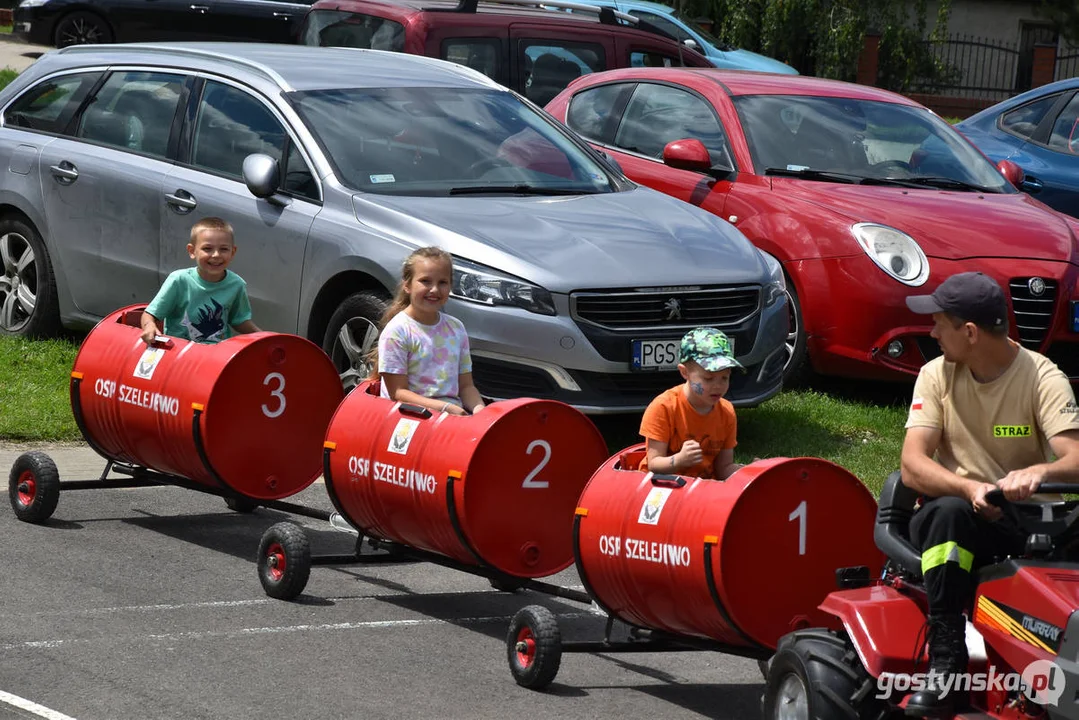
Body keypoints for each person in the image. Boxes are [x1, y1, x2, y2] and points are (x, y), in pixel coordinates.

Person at [900, 271, 1079, 716]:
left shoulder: (1042, 377)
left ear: (971, 333)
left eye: (940, 322)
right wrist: (970, 487)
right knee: (948, 515)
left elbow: (1075, 458)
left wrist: (1038, 472)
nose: (932, 330)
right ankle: (946, 662)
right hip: (965, 517)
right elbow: (912, 465)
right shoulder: (934, 376)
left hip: (1032, 521)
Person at [368, 246, 485, 416]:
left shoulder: (456, 328)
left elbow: (466, 386)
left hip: (452, 418)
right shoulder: (398, 331)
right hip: (410, 418)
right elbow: (398, 392)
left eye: (442, 282)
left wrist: (480, 413)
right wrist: (445, 408)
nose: (435, 290)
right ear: (407, 285)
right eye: (425, 281)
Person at [638, 326, 744, 480]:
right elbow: (654, 464)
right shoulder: (664, 407)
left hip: (701, 492)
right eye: (708, 378)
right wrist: (679, 460)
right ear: (684, 372)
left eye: (725, 378)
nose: (718, 386)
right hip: (660, 489)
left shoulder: (726, 411)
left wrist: (751, 472)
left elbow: (724, 468)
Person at [140, 217, 260, 345]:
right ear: (192, 251)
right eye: (207, 249)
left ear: (233, 252)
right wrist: (149, 326)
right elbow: (150, 314)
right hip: (179, 352)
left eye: (224, 249)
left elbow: (240, 321)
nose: (216, 255)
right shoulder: (179, 280)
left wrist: (264, 337)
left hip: (216, 356)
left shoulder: (236, 284)